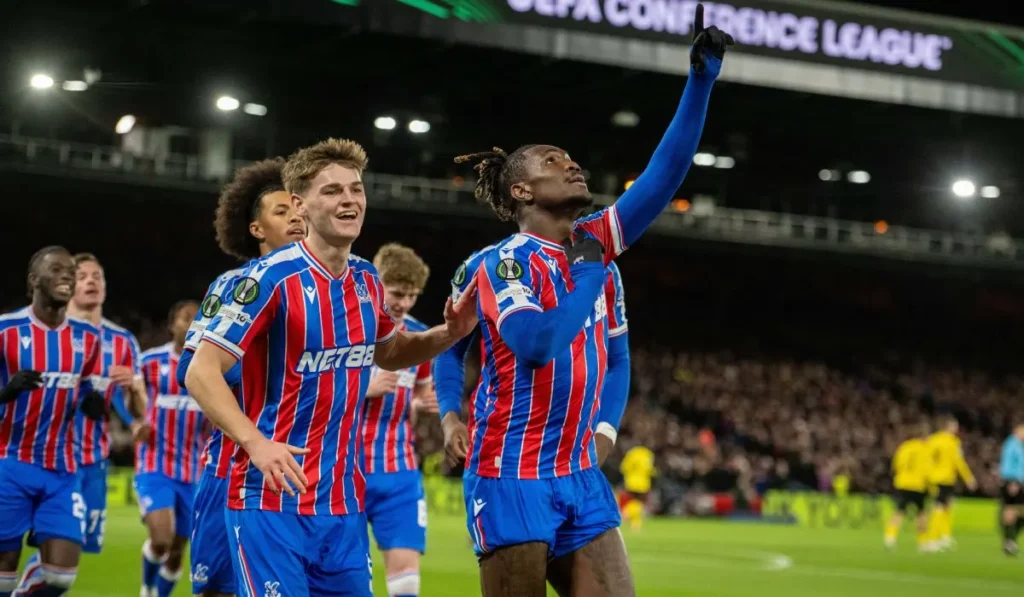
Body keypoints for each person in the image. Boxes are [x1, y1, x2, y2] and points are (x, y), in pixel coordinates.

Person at [450, 6, 730, 594]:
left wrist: (701, 81)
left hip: (580, 474)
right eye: (553, 162)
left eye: (571, 158)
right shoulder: (503, 264)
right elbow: (535, 344)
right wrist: (451, 413)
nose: (572, 163)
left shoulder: (597, 246)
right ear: (522, 190)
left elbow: (665, 173)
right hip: (511, 473)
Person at [184, 138, 479, 597]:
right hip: (270, 498)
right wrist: (256, 443)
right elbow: (200, 371)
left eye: (356, 189)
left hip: (341, 503)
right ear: (300, 205)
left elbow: (391, 351)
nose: (349, 200)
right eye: (333, 190)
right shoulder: (268, 279)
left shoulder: (366, 279)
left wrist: (450, 332)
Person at [176, 158, 306, 597]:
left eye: (298, 209)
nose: (295, 218)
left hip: (310, 472)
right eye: (281, 212)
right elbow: (190, 369)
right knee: (218, 590)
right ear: (256, 229)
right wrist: (248, 365)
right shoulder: (234, 285)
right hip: (234, 465)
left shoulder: (333, 286)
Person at [14, 253, 150, 595]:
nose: (91, 281)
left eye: (97, 276)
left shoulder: (122, 342)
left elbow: (137, 411)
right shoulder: (37, 333)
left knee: (66, 563)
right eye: (83, 275)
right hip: (32, 458)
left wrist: (134, 390)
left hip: (91, 462)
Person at [0, 246, 108, 597]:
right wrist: (5, 392)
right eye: (58, 270)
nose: (67, 276)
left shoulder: (87, 337)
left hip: (61, 470)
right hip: (9, 463)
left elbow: (86, 385)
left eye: (71, 272)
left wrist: (92, 402)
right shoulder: (5, 330)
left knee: (61, 577)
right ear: (34, 280)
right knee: (3, 572)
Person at [362, 243, 439, 597]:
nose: (404, 303)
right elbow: (312, 393)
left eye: (412, 296)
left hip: (399, 471)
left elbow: (420, 390)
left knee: (407, 582)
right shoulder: (348, 329)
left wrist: (424, 402)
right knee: (346, 580)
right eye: (397, 293)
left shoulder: (418, 336)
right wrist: (365, 389)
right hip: (345, 471)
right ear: (377, 284)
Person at [135, 300, 205, 597]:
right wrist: (136, 421)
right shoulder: (151, 361)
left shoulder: (211, 367)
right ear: (171, 325)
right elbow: (130, 394)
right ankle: (148, 588)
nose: (191, 323)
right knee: (162, 539)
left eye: (197, 318)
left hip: (194, 470)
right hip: (156, 464)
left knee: (177, 552)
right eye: (185, 318)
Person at [923, 416, 976, 552]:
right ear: (947, 426)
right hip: (941, 479)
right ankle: (932, 539)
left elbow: (927, 458)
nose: (956, 428)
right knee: (939, 508)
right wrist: (968, 478)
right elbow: (959, 462)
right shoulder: (951, 442)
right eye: (954, 426)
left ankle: (944, 537)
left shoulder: (934, 440)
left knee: (946, 507)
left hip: (941, 479)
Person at [884, 422, 931, 551]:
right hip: (918, 485)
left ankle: (890, 538)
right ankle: (922, 542)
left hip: (902, 483)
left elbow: (896, 465)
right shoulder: (924, 448)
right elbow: (927, 469)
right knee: (921, 514)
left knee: (899, 512)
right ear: (923, 436)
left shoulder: (904, 447)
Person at [998, 425, 1024, 556]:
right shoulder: (1011, 444)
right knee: (1010, 510)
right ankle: (1008, 541)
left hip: (1017, 481)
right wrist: (1012, 481)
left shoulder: (1018, 445)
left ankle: (1010, 541)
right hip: (1013, 481)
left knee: (1014, 511)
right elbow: (1007, 464)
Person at [618, 441, 656, 532]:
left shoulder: (631, 453)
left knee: (633, 501)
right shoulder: (647, 454)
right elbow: (649, 468)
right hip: (643, 484)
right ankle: (629, 516)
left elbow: (623, 468)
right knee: (639, 503)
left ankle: (633, 522)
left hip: (630, 482)